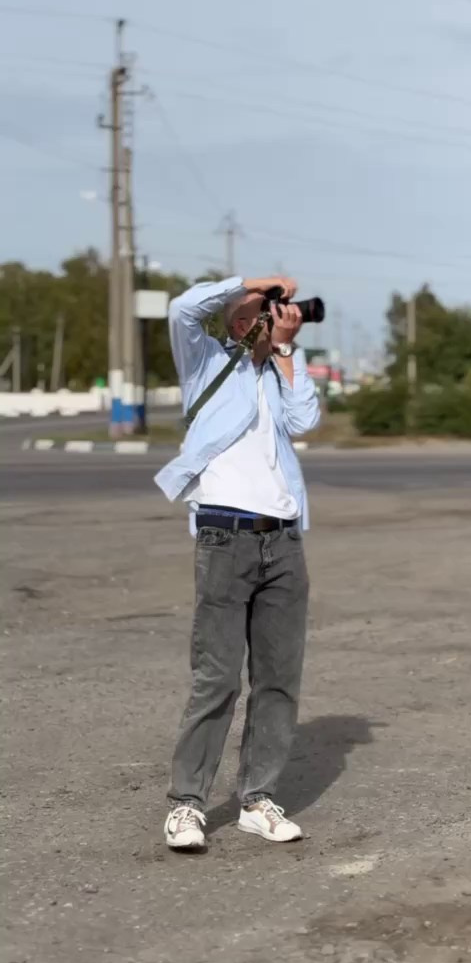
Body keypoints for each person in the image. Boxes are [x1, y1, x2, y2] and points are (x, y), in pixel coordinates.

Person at [154, 273, 322, 851]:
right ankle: (187, 804)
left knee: (278, 679)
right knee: (217, 677)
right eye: (259, 310)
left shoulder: (274, 372)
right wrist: (250, 283)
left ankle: (258, 799)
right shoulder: (204, 360)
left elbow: (304, 422)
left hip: (284, 539)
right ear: (234, 316)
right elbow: (181, 307)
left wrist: (286, 351)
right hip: (225, 537)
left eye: (274, 309)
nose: (271, 314)